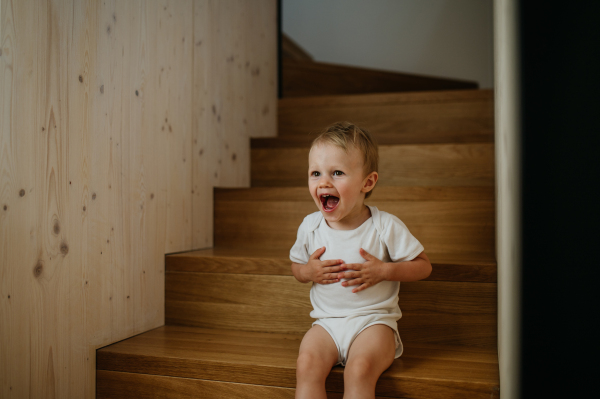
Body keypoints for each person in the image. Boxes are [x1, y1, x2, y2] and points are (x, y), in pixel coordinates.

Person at [290, 122, 432, 399]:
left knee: (359, 369)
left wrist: (385, 270)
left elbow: (424, 266)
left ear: (367, 182)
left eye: (337, 173)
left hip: (374, 324)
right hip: (327, 324)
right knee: (306, 365)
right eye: (315, 173)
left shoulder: (384, 226)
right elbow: (296, 268)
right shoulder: (310, 226)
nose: (324, 182)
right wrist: (308, 272)